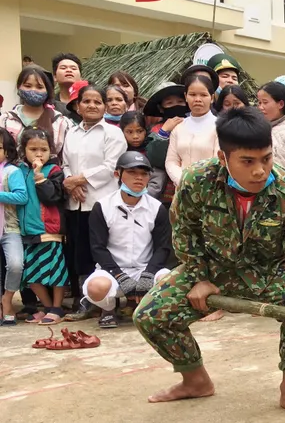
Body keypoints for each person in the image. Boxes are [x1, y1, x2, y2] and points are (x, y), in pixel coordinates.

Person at [133, 108, 285, 417]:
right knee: (150, 315)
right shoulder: (197, 180)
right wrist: (199, 277)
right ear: (223, 158)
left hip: (271, 273)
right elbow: (184, 232)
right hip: (213, 270)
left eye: (266, 158)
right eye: (247, 162)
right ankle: (195, 380)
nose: (260, 171)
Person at [61, 85, 128, 320]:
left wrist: (78, 180)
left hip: (102, 203)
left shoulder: (113, 133)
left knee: (103, 251)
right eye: (86, 101)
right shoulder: (72, 133)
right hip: (76, 203)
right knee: (80, 253)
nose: (91, 105)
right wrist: (71, 182)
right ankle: (85, 301)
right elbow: (65, 163)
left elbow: (111, 167)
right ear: (78, 106)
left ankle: (109, 303)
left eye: (97, 102)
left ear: (105, 106)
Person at [85, 152, 172, 328]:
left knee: (170, 282)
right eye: (132, 172)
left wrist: (148, 274)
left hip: (145, 269)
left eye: (144, 173)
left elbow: (163, 247)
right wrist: (120, 276)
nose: (139, 178)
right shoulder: (103, 206)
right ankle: (108, 309)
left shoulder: (157, 208)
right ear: (117, 174)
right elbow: (98, 248)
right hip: (112, 271)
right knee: (96, 287)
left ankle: (145, 308)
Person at [16, 129, 69, 324]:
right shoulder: (19, 171)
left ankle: (57, 308)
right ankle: (47, 307)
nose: (39, 154)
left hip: (48, 231)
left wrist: (39, 176)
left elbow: (51, 197)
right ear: (23, 150)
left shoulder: (54, 171)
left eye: (44, 150)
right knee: (31, 275)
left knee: (55, 272)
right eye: (33, 149)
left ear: (51, 151)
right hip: (27, 232)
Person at [0, 65, 71, 159]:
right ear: (19, 87)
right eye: (28, 86)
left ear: (47, 90)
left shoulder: (61, 122)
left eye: (39, 87)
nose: (33, 90)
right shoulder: (5, 120)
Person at [165, 75, 218, 188]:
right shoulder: (178, 127)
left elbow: (218, 161)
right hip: (181, 189)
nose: (197, 99)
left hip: (209, 189)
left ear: (212, 98)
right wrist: (183, 181)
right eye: (192, 94)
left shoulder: (220, 127)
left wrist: (197, 184)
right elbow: (171, 161)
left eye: (203, 95)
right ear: (186, 96)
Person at [0, 131, 27, 325]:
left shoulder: (12, 172)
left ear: (7, 151)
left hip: (10, 228)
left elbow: (21, 196)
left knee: (16, 265)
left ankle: (7, 299)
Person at [118, 111, 167, 199]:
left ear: (145, 130)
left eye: (139, 131)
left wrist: (140, 198)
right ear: (122, 132)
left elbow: (157, 181)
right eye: (129, 132)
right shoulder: (119, 150)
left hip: (148, 198)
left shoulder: (152, 150)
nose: (135, 136)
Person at [257, 81, 285, 168]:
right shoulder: (257, 129)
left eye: (265, 102)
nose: (260, 107)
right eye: (259, 103)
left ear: (281, 104)